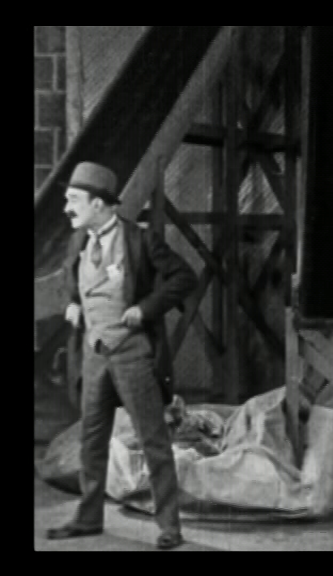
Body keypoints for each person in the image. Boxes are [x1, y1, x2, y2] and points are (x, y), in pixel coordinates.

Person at [46, 162, 197, 550]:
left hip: (133, 355)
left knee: (153, 441)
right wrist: (72, 302)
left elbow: (184, 277)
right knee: (91, 441)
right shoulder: (79, 241)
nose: (67, 208)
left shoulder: (140, 240)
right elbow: (68, 278)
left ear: (98, 203)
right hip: (94, 354)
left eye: (74, 200)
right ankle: (88, 518)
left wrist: (145, 309)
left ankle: (169, 527)